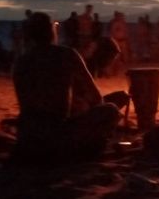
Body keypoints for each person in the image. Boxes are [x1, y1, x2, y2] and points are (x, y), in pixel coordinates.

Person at [12, 12, 121, 162]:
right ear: (51, 31)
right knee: (111, 110)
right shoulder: (67, 54)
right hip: (56, 133)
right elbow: (96, 98)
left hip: (27, 137)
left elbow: (28, 104)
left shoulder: (21, 61)